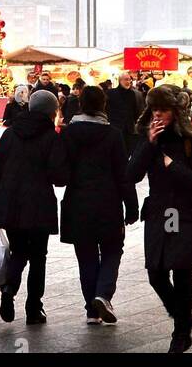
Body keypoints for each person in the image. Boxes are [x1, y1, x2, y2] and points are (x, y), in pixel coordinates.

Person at [129, 83, 192, 353]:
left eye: (164, 110)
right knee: (155, 272)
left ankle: (180, 333)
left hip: (185, 212)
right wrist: (149, 143)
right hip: (160, 211)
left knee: (181, 271)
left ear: (175, 111)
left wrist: (172, 166)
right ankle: (181, 314)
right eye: (154, 109)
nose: (157, 115)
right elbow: (131, 174)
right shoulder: (149, 137)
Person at [0, 87, 64, 326]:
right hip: (39, 204)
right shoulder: (51, 137)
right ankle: (33, 308)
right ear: (52, 113)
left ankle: (9, 288)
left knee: (18, 251)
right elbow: (58, 177)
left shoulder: (9, 134)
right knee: (39, 256)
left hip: (10, 204)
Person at [59, 84, 137, 324]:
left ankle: (91, 311)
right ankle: (103, 294)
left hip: (77, 202)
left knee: (86, 256)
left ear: (81, 105)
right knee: (113, 249)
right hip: (108, 202)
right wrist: (131, 206)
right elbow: (123, 174)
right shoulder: (112, 134)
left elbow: (61, 171)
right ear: (104, 105)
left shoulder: (69, 134)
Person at [107, 74, 143, 156]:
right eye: (126, 79)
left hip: (129, 128)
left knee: (128, 151)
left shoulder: (132, 94)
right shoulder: (111, 93)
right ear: (120, 81)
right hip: (115, 127)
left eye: (129, 80)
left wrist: (137, 124)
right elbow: (107, 109)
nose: (128, 82)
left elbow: (134, 110)